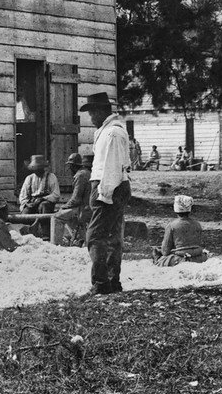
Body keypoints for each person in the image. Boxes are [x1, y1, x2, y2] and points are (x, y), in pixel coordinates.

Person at [81, 92, 131, 295]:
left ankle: (101, 283)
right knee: (111, 236)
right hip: (108, 185)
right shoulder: (106, 131)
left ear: (101, 111)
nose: (91, 118)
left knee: (95, 236)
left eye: (92, 113)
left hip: (109, 186)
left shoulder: (113, 133)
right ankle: (112, 282)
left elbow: (112, 166)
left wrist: (105, 194)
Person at [152, 195, 208, 266]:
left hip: (179, 259)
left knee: (155, 253)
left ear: (176, 208)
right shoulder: (197, 224)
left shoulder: (172, 226)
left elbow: (165, 251)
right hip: (198, 258)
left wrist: (158, 251)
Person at [51, 153, 91, 246]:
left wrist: (64, 206)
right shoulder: (86, 172)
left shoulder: (80, 175)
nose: (69, 169)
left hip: (84, 208)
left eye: (70, 166)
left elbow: (76, 199)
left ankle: (55, 245)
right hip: (87, 206)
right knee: (68, 216)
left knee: (57, 217)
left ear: (73, 166)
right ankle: (79, 238)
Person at [19, 154, 60, 238]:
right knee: (26, 212)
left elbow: (56, 195)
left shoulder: (51, 177)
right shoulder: (29, 178)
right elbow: (23, 196)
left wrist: (43, 199)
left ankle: (46, 235)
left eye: (39, 169)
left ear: (43, 168)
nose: (37, 171)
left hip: (46, 202)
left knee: (44, 206)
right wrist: (27, 204)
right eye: (35, 169)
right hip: (32, 202)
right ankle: (28, 235)